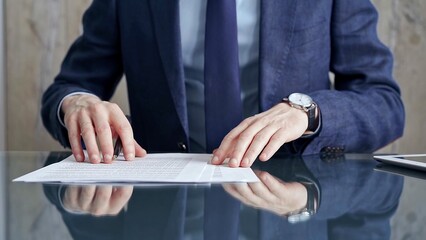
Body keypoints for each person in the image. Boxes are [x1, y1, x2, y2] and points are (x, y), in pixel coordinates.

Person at [41, 0, 404, 167]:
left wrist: (308, 113)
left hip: (292, 203)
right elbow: (71, 85)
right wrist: (76, 103)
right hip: (159, 205)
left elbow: (383, 102)